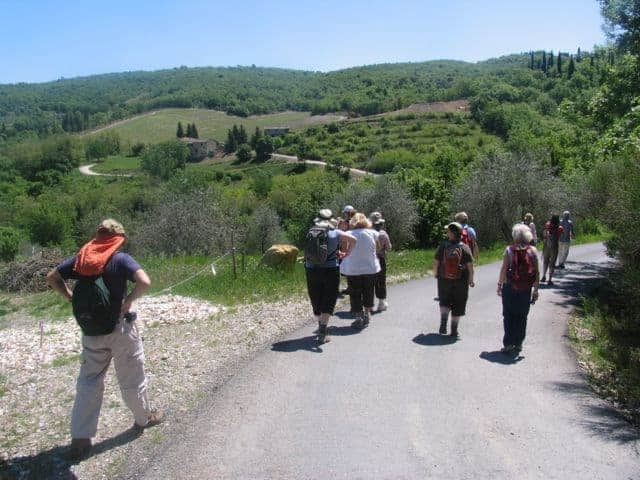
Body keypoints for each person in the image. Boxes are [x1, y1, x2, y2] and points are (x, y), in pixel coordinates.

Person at [46, 219, 163, 460]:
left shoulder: (81, 259)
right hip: (120, 329)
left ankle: (80, 439)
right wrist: (128, 301)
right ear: (119, 238)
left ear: (97, 236)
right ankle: (144, 418)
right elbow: (145, 281)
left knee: (88, 382)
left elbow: (52, 277)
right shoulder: (120, 259)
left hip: (91, 332)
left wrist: (69, 297)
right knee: (131, 375)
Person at [304, 209, 356, 344]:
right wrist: (346, 254)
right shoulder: (336, 233)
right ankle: (323, 329)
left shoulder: (310, 232)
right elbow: (353, 240)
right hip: (331, 269)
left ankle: (318, 317)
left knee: (315, 296)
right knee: (329, 298)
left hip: (311, 269)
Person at [497, 224, 540, 355]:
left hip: (510, 287)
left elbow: (504, 269)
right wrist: (536, 290)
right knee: (522, 316)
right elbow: (537, 272)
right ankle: (519, 343)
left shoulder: (509, 250)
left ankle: (509, 344)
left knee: (508, 315)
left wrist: (500, 284)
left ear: (515, 236)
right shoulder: (533, 251)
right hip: (525, 288)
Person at [432, 222, 475, 337]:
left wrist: (436, 273)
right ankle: (454, 330)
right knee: (459, 303)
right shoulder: (465, 248)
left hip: (444, 279)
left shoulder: (443, 246)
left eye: (448, 231)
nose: (447, 233)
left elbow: (436, 262)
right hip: (461, 280)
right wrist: (471, 279)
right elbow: (470, 266)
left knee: (444, 300)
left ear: (451, 233)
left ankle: (443, 322)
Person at [340, 213, 381, 329]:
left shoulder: (348, 234)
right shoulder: (373, 233)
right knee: (369, 291)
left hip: (353, 269)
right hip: (370, 268)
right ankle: (367, 313)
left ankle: (358, 317)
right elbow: (378, 248)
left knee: (355, 293)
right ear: (366, 222)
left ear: (353, 222)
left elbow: (344, 250)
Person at [369, 211, 392, 312]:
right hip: (380, 259)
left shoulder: (367, 233)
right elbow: (388, 248)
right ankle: (381, 303)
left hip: (369, 259)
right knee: (381, 281)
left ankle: (368, 304)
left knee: (369, 282)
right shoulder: (383, 234)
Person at [541, 214, 564, 286]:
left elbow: (544, 235)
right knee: (552, 263)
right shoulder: (560, 228)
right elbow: (560, 236)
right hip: (554, 246)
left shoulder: (547, 225)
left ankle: (543, 276)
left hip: (546, 246)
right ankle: (549, 280)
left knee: (545, 261)